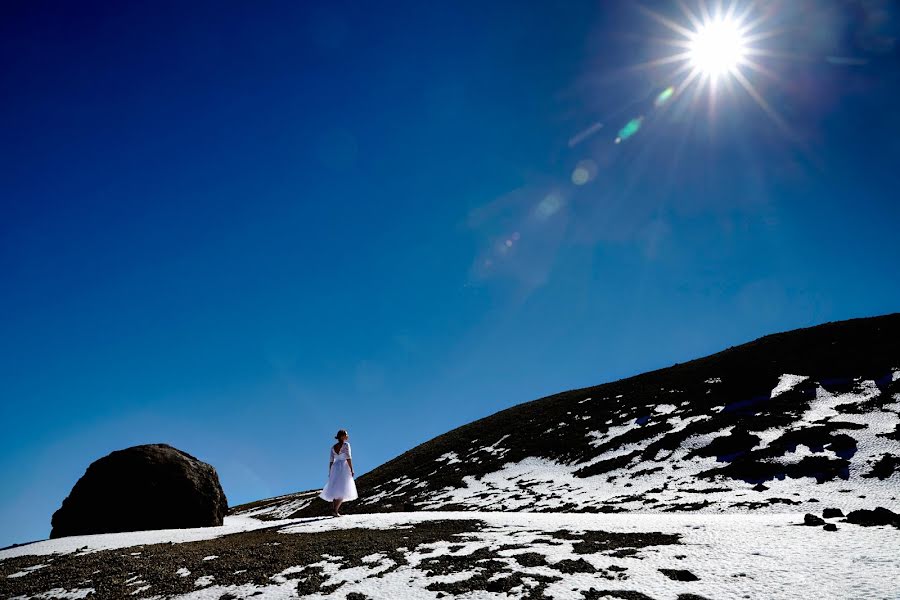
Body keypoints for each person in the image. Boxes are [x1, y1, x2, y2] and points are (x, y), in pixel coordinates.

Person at [319, 429, 357, 516]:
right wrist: (352, 469)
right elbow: (348, 458)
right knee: (343, 489)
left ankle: (334, 510)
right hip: (343, 467)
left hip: (334, 467)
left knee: (335, 488)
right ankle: (335, 511)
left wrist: (330, 471)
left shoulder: (333, 447)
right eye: (346, 434)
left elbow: (331, 461)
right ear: (342, 436)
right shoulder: (346, 445)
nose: (347, 436)